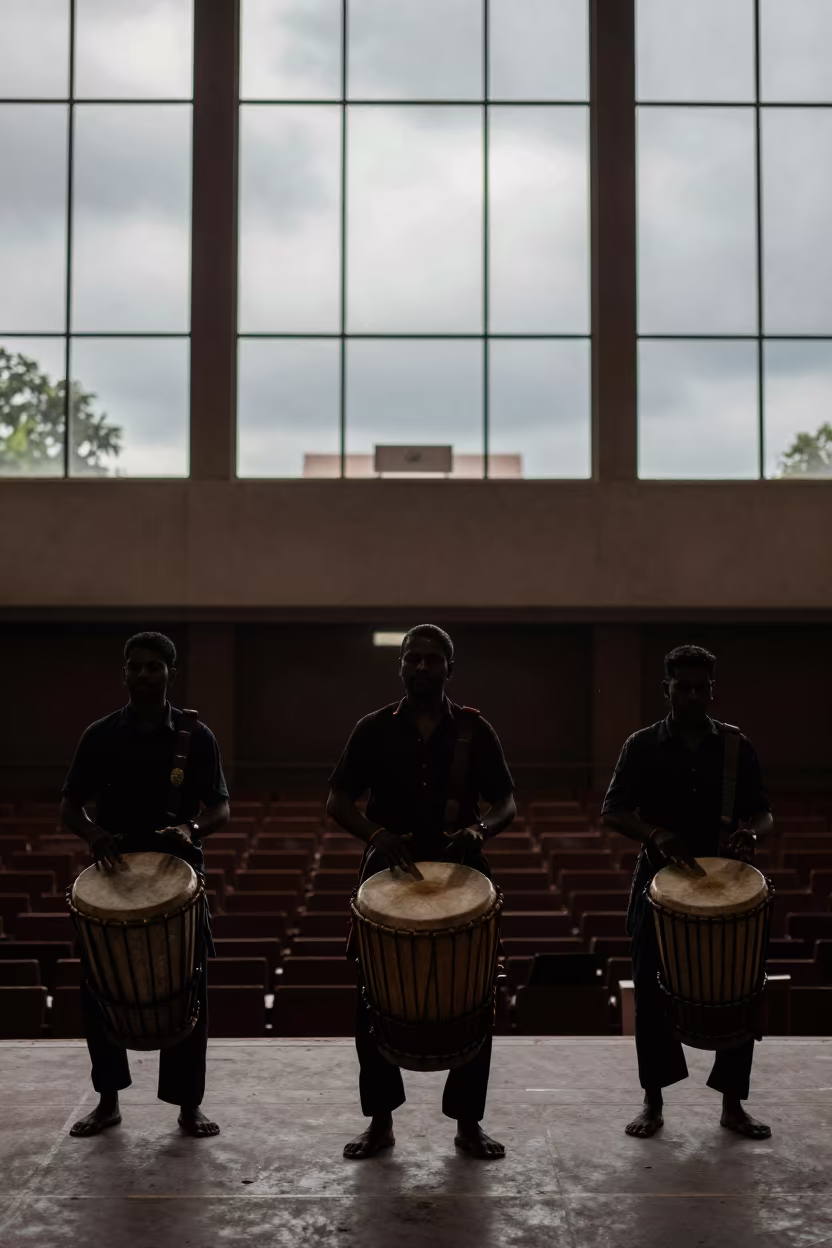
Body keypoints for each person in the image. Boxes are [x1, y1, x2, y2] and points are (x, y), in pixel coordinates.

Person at [328, 624, 516, 1161]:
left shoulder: (476, 732)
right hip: (387, 880)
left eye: (433, 660)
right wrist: (377, 835)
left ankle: (468, 1125)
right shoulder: (372, 729)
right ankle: (381, 1124)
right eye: (413, 659)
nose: (422, 667)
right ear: (402, 666)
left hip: (462, 879)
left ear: (449, 668)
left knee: (476, 1000)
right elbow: (338, 801)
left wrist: (480, 830)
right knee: (372, 1003)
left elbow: (505, 802)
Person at [61, 631, 230, 1139]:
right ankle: (108, 1100)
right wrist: (93, 834)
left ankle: (187, 1107)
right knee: (98, 990)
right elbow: (70, 805)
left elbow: (220, 806)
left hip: (176, 877)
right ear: (125, 673)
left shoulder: (194, 737)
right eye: (134, 666)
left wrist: (191, 829)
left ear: (170, 674)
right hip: (112, 881)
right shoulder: (100, 735)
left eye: (152, 667)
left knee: (188, 990)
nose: (142, 674)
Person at [602, 644, 774, 1141]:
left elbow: (763, 810)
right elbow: (612, 811)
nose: (695, 696)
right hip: (656, 883)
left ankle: (732, 1105)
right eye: (684, 688)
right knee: (652, 992)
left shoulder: (736, 746)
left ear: (712, 689)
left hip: (727, 887)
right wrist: (655, 834)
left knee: (740, 989)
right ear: (667, 689)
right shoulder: (641, 745)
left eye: (703, 688)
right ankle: (653, 1101)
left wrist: (753, 833)